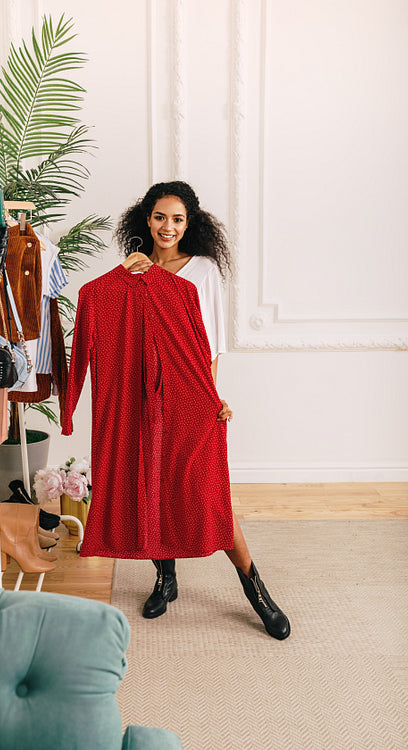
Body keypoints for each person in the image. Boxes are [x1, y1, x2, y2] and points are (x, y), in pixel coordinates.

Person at [114, 180, 290, 640]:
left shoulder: (204, 270)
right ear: (145, 220)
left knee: (209, 498)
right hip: (143, 395)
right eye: (159, 217)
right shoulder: (134, 269)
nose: (167, 227)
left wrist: (213, 396)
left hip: (191, 395)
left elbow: (210, 344)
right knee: (154, 489)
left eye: (177, 219)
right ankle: (165, 578)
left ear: (189, 223)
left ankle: (257, 591)